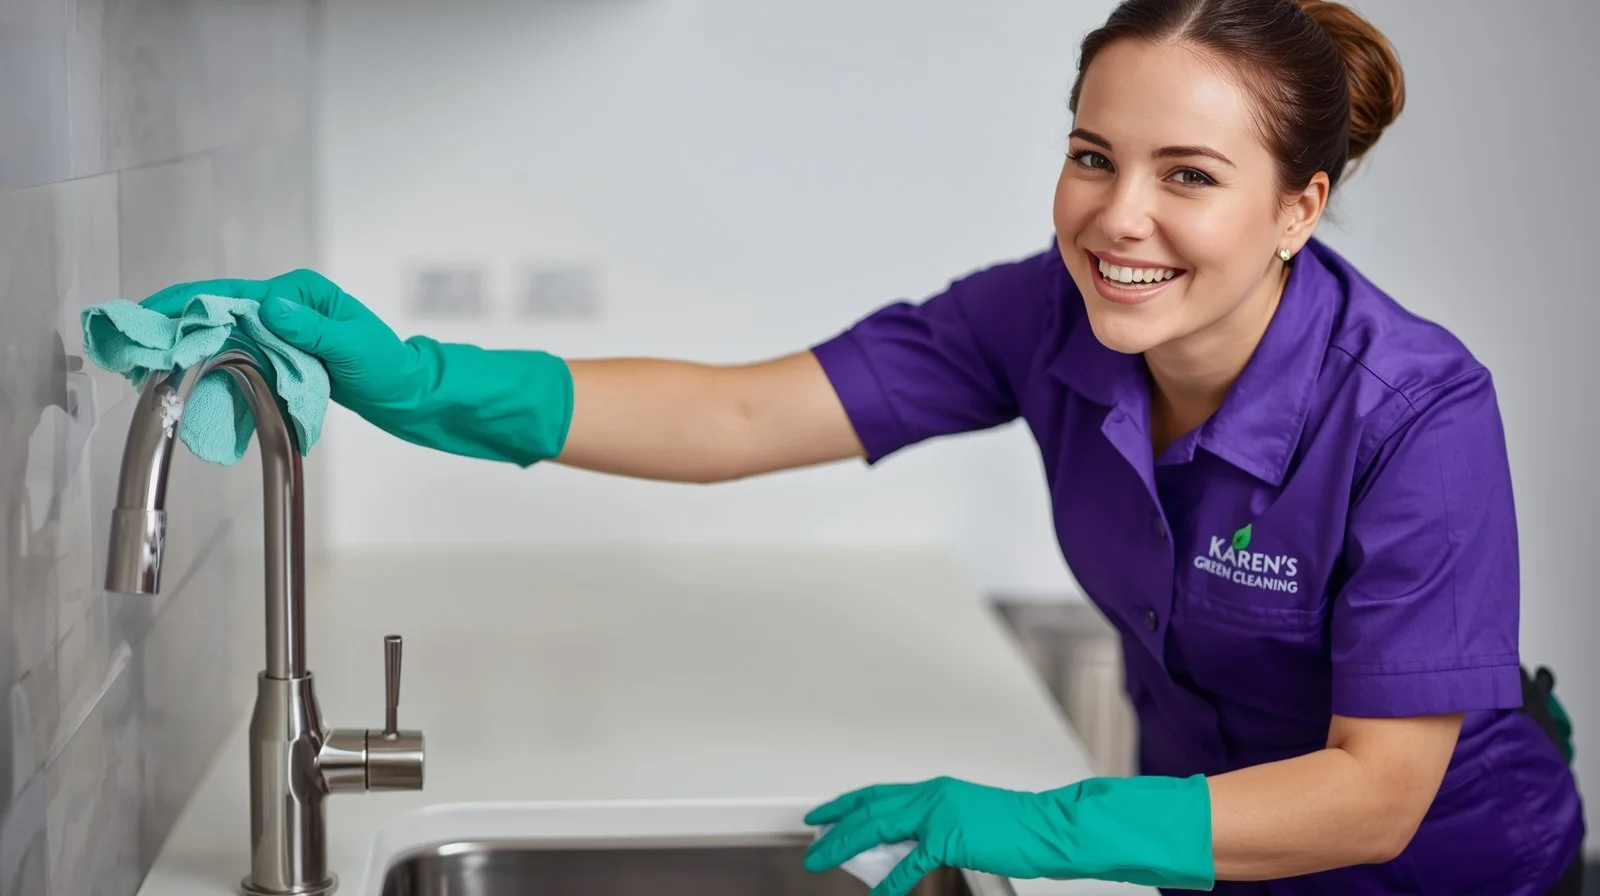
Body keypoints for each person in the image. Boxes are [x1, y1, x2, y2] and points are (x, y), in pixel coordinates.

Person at [129, 0, 1585, 892]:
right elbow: (741, 415)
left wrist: (1056, 828)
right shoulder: (1045, 315)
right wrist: (422, 380)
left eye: (1187, 176)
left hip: (1437, 879)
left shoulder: (1416, 412)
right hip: (1202, 863)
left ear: (1299, 207)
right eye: (1093, 154)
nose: (1116, 217)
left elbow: (1375, 792)